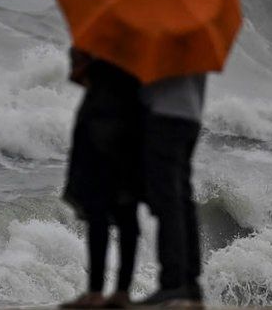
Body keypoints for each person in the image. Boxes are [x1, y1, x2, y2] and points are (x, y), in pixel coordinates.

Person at [61, 48, 143, 309]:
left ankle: (107, 291)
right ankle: (115, 291)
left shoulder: (108, 55)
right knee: (117, 217)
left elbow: (80, 72)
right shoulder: (125, 52)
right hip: (120, 138)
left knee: (107, 217)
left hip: (110, 141)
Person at [133, 74, 207, 308]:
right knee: (182, 197)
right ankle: (191, 282)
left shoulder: (161, 41)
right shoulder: (197, 38)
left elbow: (150, 84)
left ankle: (173, 282)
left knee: (168, 200)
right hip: (191, 116)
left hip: (165, 117)